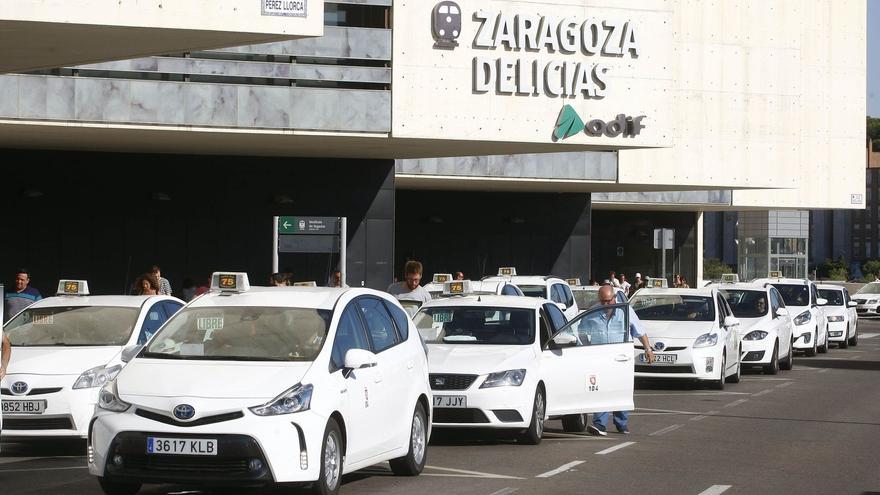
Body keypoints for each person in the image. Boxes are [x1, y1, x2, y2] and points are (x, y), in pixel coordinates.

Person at [586, 285, 654, 436]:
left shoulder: (626, 312)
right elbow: (581, 331)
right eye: (602, 301)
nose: (605, 305)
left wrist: (648, 349)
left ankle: (621, 423)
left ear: (614, 298)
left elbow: (640, 332)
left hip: (621, 359)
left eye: (608, 301)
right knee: (601, 390)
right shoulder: (593, 313)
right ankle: (600, 425)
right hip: (600, 359)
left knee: (620, 390)